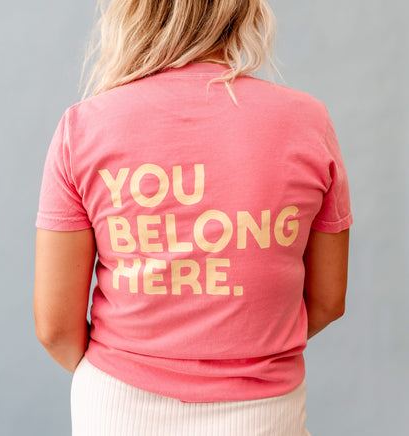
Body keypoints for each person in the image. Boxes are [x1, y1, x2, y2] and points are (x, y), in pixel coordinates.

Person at [33, 1, 353, 435]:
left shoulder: (83, 126)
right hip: (263, 412)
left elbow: (55, 328)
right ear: (243, 12)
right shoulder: (307, 120)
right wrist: (246, 356)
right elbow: (329, 301)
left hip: (115, 408)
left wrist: (127, 375)